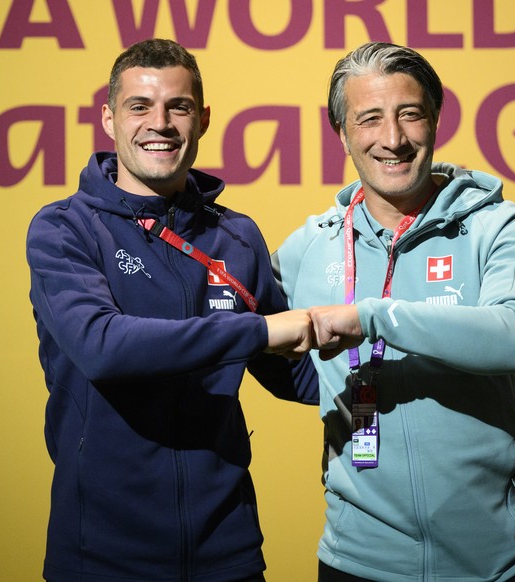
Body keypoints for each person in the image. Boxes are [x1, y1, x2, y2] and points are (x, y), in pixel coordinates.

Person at [27, 38, 318, 582]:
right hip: (101, 556)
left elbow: (294, 374)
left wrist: (391, 348)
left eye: (178, 107)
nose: (159, 123)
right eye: (140, 106)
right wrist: (256, 331)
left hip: (227, 551)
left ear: (203, 118)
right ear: (110, 118)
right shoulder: (63, 228)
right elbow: (103, 347)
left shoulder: (236, 235)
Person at [272, 42, 515, 581]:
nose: (393, 139)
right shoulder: (308, 248)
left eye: (410, 114)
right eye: (369, 119)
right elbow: (254, 343)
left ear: (435, 119)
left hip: (503, 562)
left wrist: (372, 319)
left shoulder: (498, 226)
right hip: (357, 563)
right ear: (341, 132)